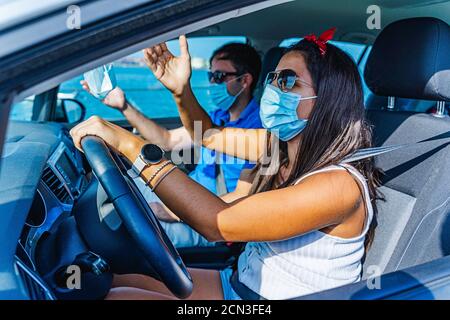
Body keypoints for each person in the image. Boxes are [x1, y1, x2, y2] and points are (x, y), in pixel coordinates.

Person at [70, 29, 381, 300]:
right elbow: (207, 136)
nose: (273, 89)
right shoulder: (280, 148)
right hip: (240, 283)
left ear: (327, 100)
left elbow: (217, 224)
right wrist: (181, 91)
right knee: (107, 282)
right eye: (273, 79)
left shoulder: (339, 185)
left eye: (288, 81)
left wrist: (127, 143)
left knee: (117, 298)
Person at [81, 40, 262, 248]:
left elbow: (244, 198)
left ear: (245, 80)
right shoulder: (217, 117)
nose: (213, 83)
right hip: (188, 193)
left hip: (207, 220)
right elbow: (167, 140)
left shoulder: (259, 129)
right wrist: (124, 106)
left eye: (219, 77)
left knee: (124, 231)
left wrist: (172, 212)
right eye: (210, 76)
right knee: (109, 183)